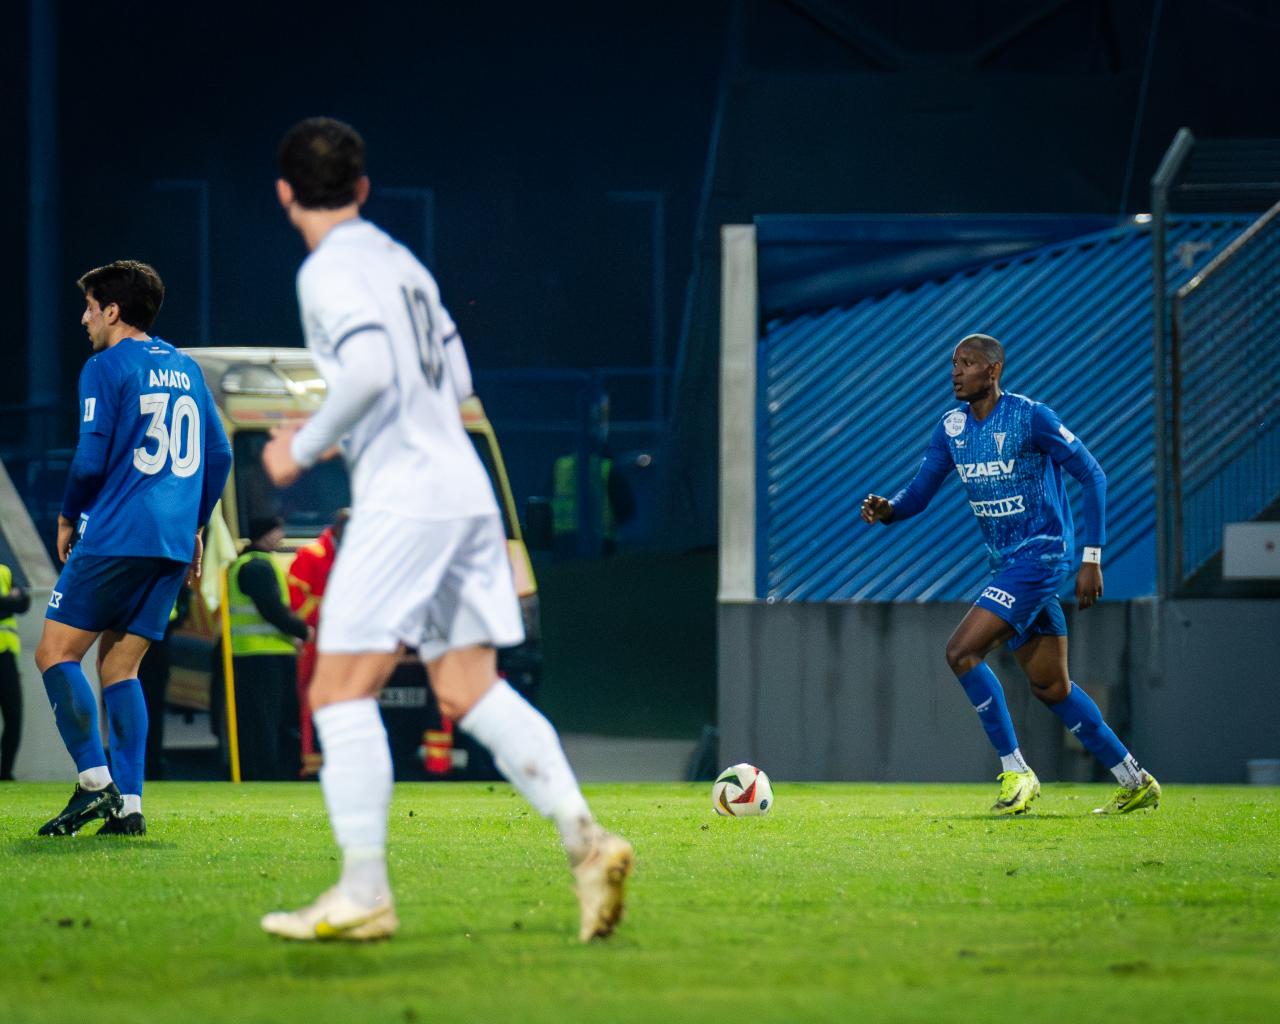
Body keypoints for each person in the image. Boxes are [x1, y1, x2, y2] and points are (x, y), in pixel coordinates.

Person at [259, 116, 632, 942]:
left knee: (336, 691)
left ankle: (364, 892)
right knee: (468, 688)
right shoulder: (402, 263)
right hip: (465, 492)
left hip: (405, 498)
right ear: (362, 187)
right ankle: (586, 841)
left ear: (285, 193)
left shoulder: (327, 270)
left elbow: (368, 371)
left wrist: (302, 448)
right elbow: (456, 376)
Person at [860, 333, 1160, 816]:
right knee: (1051, 687)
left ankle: (1017, 771)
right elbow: (919, 493)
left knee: (961, 651)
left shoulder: (1031, 417)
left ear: (993, 370)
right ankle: (1135, 780)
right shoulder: (952, 427)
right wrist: (889, 509)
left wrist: (1092, 557)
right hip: (1006, 565)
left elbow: (1093, 475)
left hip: (1041, 557)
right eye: (954, 362)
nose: (956, 372)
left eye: (967, 363)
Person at [34, 259, 231, 835]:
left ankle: (95, 784)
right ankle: (130, 807)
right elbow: (219, 456)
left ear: (113, 311)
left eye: (90, 307)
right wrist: (195, 526)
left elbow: (89, 460)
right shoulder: (187, 367)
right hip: (171, 542)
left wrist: (67, 516)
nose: (84, 318)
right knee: (121, 666)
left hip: (119, 531)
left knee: (54, 653)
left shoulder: (105, 366)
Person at [227, 515, 310, 780]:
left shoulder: (250, 563)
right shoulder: (257, 566)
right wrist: (302, 631)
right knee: (266, 720)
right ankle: (269, 772)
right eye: (278, 531)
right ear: (267, 533)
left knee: (261, 718)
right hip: (263, 653)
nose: (282, 536)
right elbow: (272, 609)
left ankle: (265, 770)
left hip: (259, 652)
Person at [287, 508, 350, 773]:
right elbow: (297, 600)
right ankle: (312, 761)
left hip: (348, 643)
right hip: (316, 641)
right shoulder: (311, 554)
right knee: (313, 700)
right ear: (338, 529)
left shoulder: (357, 554)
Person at [0, 562, 32, 779]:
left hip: (7, 653)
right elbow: (15, 601)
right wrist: (9, 600)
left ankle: (6, 771)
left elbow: (24, 602)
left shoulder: (4, 571)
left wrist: (11, 601)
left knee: (13, 714)